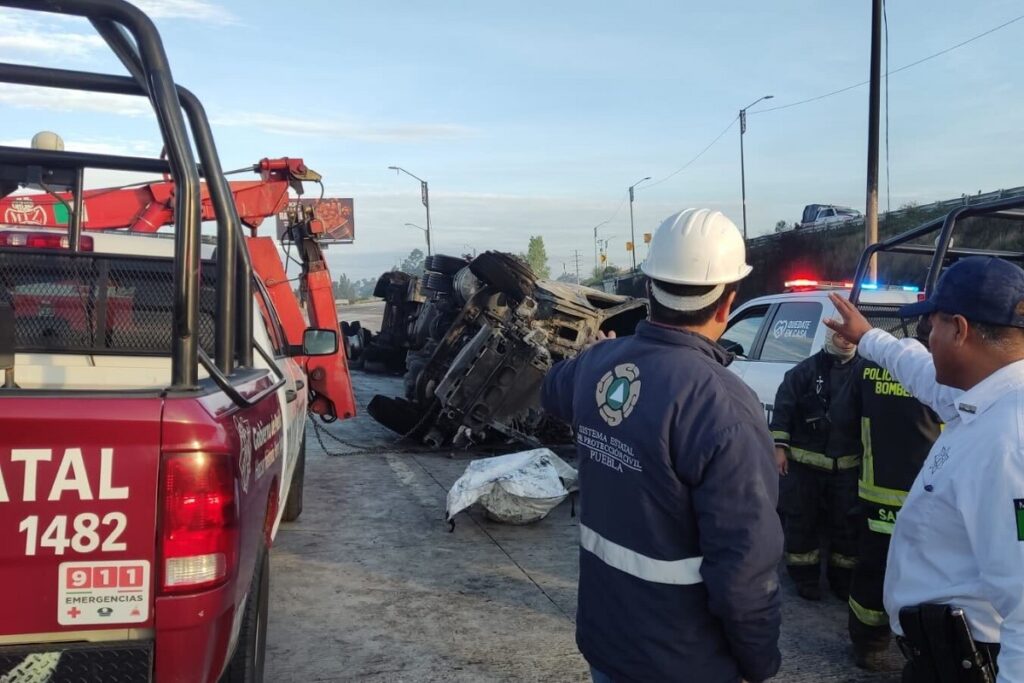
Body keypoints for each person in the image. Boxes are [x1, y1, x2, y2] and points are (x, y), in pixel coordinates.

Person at [542, 208, 783, 683]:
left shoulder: (597, 366)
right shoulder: (726, 407)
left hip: (607, 644)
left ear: (649, 288)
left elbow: (552, 391)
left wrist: (599, 359)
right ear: (726, 303)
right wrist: (760, 664)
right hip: (685, 663)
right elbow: (744, 573)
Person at [826, 256, 1024, 681]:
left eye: (932, 326)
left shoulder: (1009, 438)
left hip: (974, 662)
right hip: (946, 654)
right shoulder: (988, 398)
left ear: (959, 329)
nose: (927, 338)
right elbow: (918, 370)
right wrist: (867, 337)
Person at [841, 320, 941, 670]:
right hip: (926, 500)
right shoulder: (952, 375)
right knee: (928, 575)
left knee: (872, 568)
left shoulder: (870, 367)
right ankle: (923, 648)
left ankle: (868, 645)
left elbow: (844, 418)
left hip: (876, 491)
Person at [769, 329, 862, 602]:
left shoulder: (864, 373)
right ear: (828, 336)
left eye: (850, 334)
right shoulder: (803, 372)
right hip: (804, 467)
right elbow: (783, 411)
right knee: (802, 522)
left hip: (847, 468)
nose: (846, 339)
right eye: (840, 335)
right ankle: (805, 578)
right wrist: (779, 449)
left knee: (847, 526)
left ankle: (842, 581)